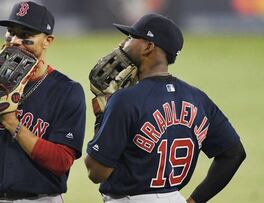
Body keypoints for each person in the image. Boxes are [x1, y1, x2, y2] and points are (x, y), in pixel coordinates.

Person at [85, 13, 246, 203]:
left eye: (131, 37)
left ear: (148, 47)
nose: (123, 43)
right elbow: (234, 153)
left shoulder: (125, 100)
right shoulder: (198, 98)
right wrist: (195, 200)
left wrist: (101, 115)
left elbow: (96, 172)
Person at [0, 1, 86, 203]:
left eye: (26, 35)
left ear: (47, 41)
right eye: (11, 32)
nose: (15, 40)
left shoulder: (67, 91)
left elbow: (61, 161)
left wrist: (12, 123)